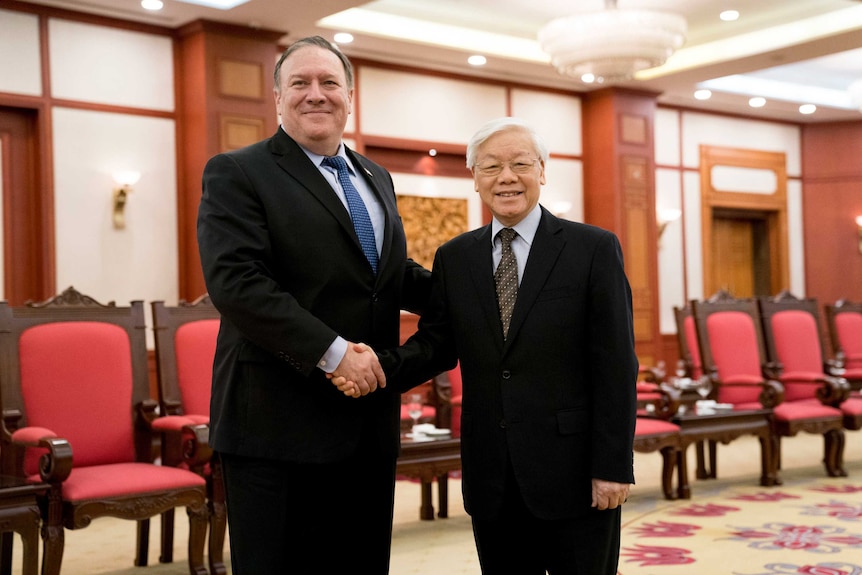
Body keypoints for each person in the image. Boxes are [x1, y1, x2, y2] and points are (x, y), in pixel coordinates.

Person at [338, 116, 638, 574]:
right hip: (492, 476)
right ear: (475, 178)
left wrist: (613, 465)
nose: (507, 177)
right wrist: (374, 366)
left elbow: (616, 366)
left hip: (574, 474)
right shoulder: (456, 257)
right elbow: (438, 344)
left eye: (520, 163)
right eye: (491, 166)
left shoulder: (592, 248)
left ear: (541, 170)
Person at [197, 36, 430, 574]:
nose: (315, 94)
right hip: (276, 424)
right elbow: (237, 283)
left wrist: (477, 291)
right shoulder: (238, 171)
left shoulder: (376, 177)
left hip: (367, 424)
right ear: (277, 97)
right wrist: (332, 352)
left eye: (329, 82)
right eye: (299, 82)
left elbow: (390, 276)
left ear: (350, 95)